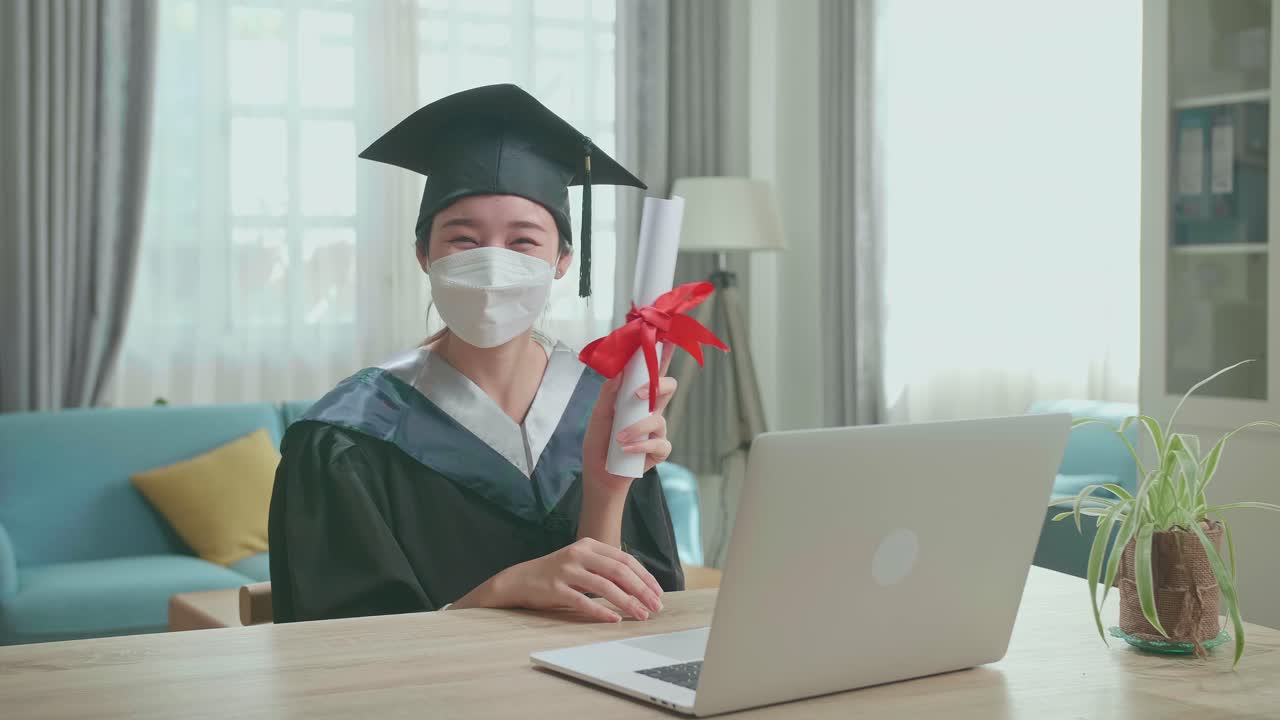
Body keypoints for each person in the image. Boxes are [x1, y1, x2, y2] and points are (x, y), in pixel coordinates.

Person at [268, 84, 685, 624]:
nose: (492, 262)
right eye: (463, 240)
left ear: (563, 259)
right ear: (424, 254)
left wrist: (606, 493)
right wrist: (501, 591)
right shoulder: (346, 439)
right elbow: (338, 658)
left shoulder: (605, 410)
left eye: (522, 243)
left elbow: (631, 617)